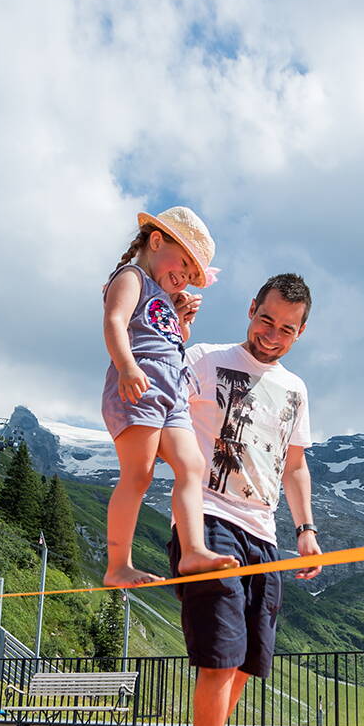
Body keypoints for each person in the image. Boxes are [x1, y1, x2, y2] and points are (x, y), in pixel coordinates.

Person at [166, 273, 321, 726]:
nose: (272, 335)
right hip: (208, 519)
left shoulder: (296, 389)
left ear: (301, 332)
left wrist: (306, 530)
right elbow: (158, 392)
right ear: (251, 309)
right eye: (265, 320)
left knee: (245, 663)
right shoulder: (206, 359)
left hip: (265, 533)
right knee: (219, 657)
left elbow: (294, 465)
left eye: (287, 329)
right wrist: (175, 333)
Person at [100, 206, 239, 587]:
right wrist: (127, 366)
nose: (185, 280)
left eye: (193, 277)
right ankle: (118, 565)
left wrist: (182, 322)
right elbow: (114, 321)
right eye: (183, 266)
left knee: (192, 465)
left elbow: (171, 341)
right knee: (138, 474)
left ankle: (193, 550)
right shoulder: (131, 278)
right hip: (140, 384)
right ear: (157, 241)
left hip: (172, 391)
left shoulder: (163, 295)